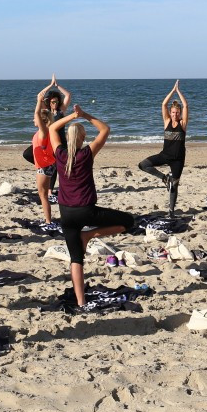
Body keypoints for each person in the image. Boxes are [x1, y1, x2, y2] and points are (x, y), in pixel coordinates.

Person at [50, 105, 136, 308]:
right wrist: (84, 115)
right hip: (87, 212)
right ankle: (89, 235)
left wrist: (71, 116)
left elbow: (53, 128)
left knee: (76, 259)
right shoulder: (86, 154)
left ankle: (81, 302)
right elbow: (105, 129)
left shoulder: (60, 154)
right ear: (81, 138)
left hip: (66, 213)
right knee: (128, 221)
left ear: (69, 138)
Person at [137, 80, 189, 217]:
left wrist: (179, 92)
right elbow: (163, 104)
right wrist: (173, 90)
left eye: (177, 113)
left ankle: (171, 212)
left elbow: (186, 105)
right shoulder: (166, 122)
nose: (174, 115)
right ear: (170, 113)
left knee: (175, 186)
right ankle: (164, 178)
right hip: (165, 155)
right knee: (143, 164)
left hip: (178, 159)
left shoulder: (183, 124)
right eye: (173, 112)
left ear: (180, 113)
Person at [31, 82, 60, 226]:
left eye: (34, 118)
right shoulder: (47, 129)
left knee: (42, 196)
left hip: (44, 167)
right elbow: (42, 112)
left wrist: (38, 103)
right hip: (48, 165)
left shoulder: (44, 132)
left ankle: (48, 221)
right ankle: (48, 220)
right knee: (43, 195)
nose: (33, 119)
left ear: (41, 121)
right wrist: (42, 98)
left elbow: (38, 113)